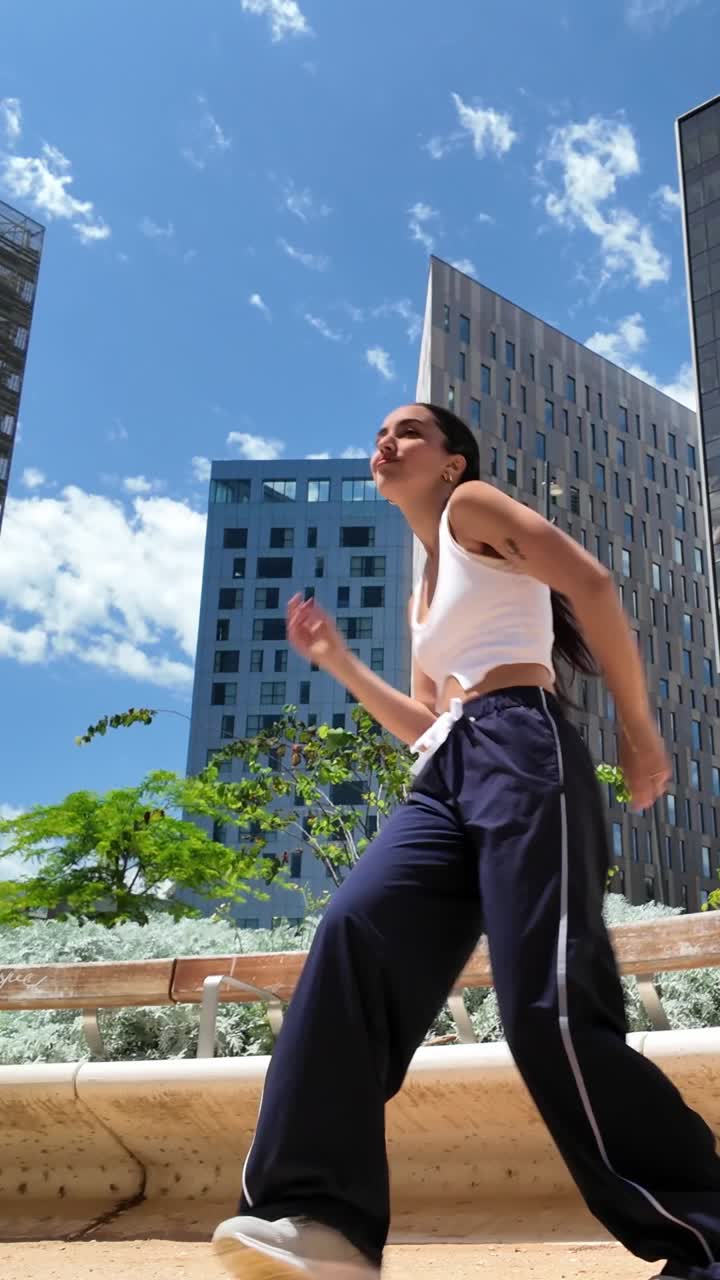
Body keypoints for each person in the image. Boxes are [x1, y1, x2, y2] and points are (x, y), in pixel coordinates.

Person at [213, 402, 720, 1280]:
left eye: (409, 432)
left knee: (546, 1009)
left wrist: (641, 733)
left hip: (522, 745)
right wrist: (337, 659)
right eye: (380, 431)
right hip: (446, 771)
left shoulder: (471, 508)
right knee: (354, 933)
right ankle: (318, 1219)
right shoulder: (422, 586)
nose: (387, 442)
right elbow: (425, 722)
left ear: (452, 462)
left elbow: (591, 584)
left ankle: (704, 1228)